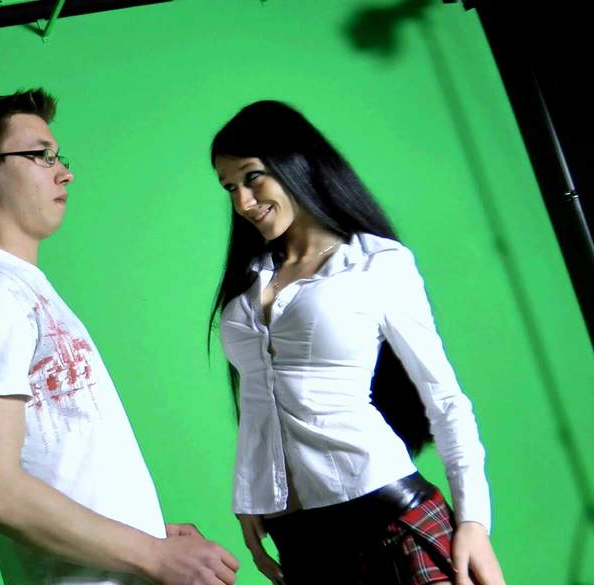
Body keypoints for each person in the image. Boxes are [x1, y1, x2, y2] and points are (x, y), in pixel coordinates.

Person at [0, 88, 239, 585]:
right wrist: (153, 555)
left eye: (59, 157)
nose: (64, 172)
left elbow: (59, 459)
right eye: (41, 155)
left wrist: (145, 533)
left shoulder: (20, 286)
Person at [208, 100, 506, 585]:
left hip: (390, 520)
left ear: (295, 163)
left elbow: (444, 397)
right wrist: (249, 501)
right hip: (300, 541)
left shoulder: (376, 264)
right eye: (230, 188)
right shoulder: (250, 280)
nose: (243, 202)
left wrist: (473, 521)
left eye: (253, 177)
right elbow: (259, 402)